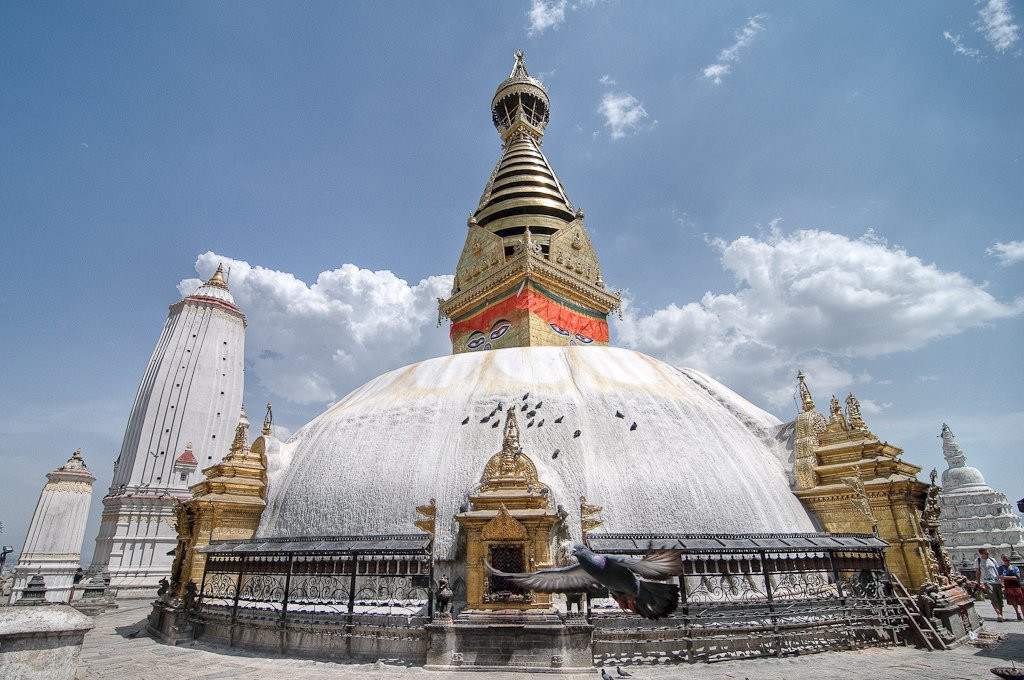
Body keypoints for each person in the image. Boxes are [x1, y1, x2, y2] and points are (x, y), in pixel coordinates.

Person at [976, 547, 1005, 621]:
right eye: (986, 553)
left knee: (1000, 599)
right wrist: (978, 582)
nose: (988, 554)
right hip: (987, 581)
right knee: (993, 598)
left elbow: (998, 570)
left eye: (988, 553)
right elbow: (978, 572)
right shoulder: (978, 561)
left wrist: (1002, 581)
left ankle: (1001, 614)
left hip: (996, 580)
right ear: (981, 554)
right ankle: (998, 614)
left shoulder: (992, 560)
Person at [999, 554, 1023, 621]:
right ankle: (1017, 613)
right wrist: (1006, 578)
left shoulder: (1014, 568)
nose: (1007, 561)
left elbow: (1017, 577)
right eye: (1005, 560)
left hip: (1016, 586)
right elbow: (1000, 577)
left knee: (1021, 602)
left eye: (1008, 560)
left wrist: (1005, 577)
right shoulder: (1001, 568)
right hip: (1008, 587)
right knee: (1013, 602)